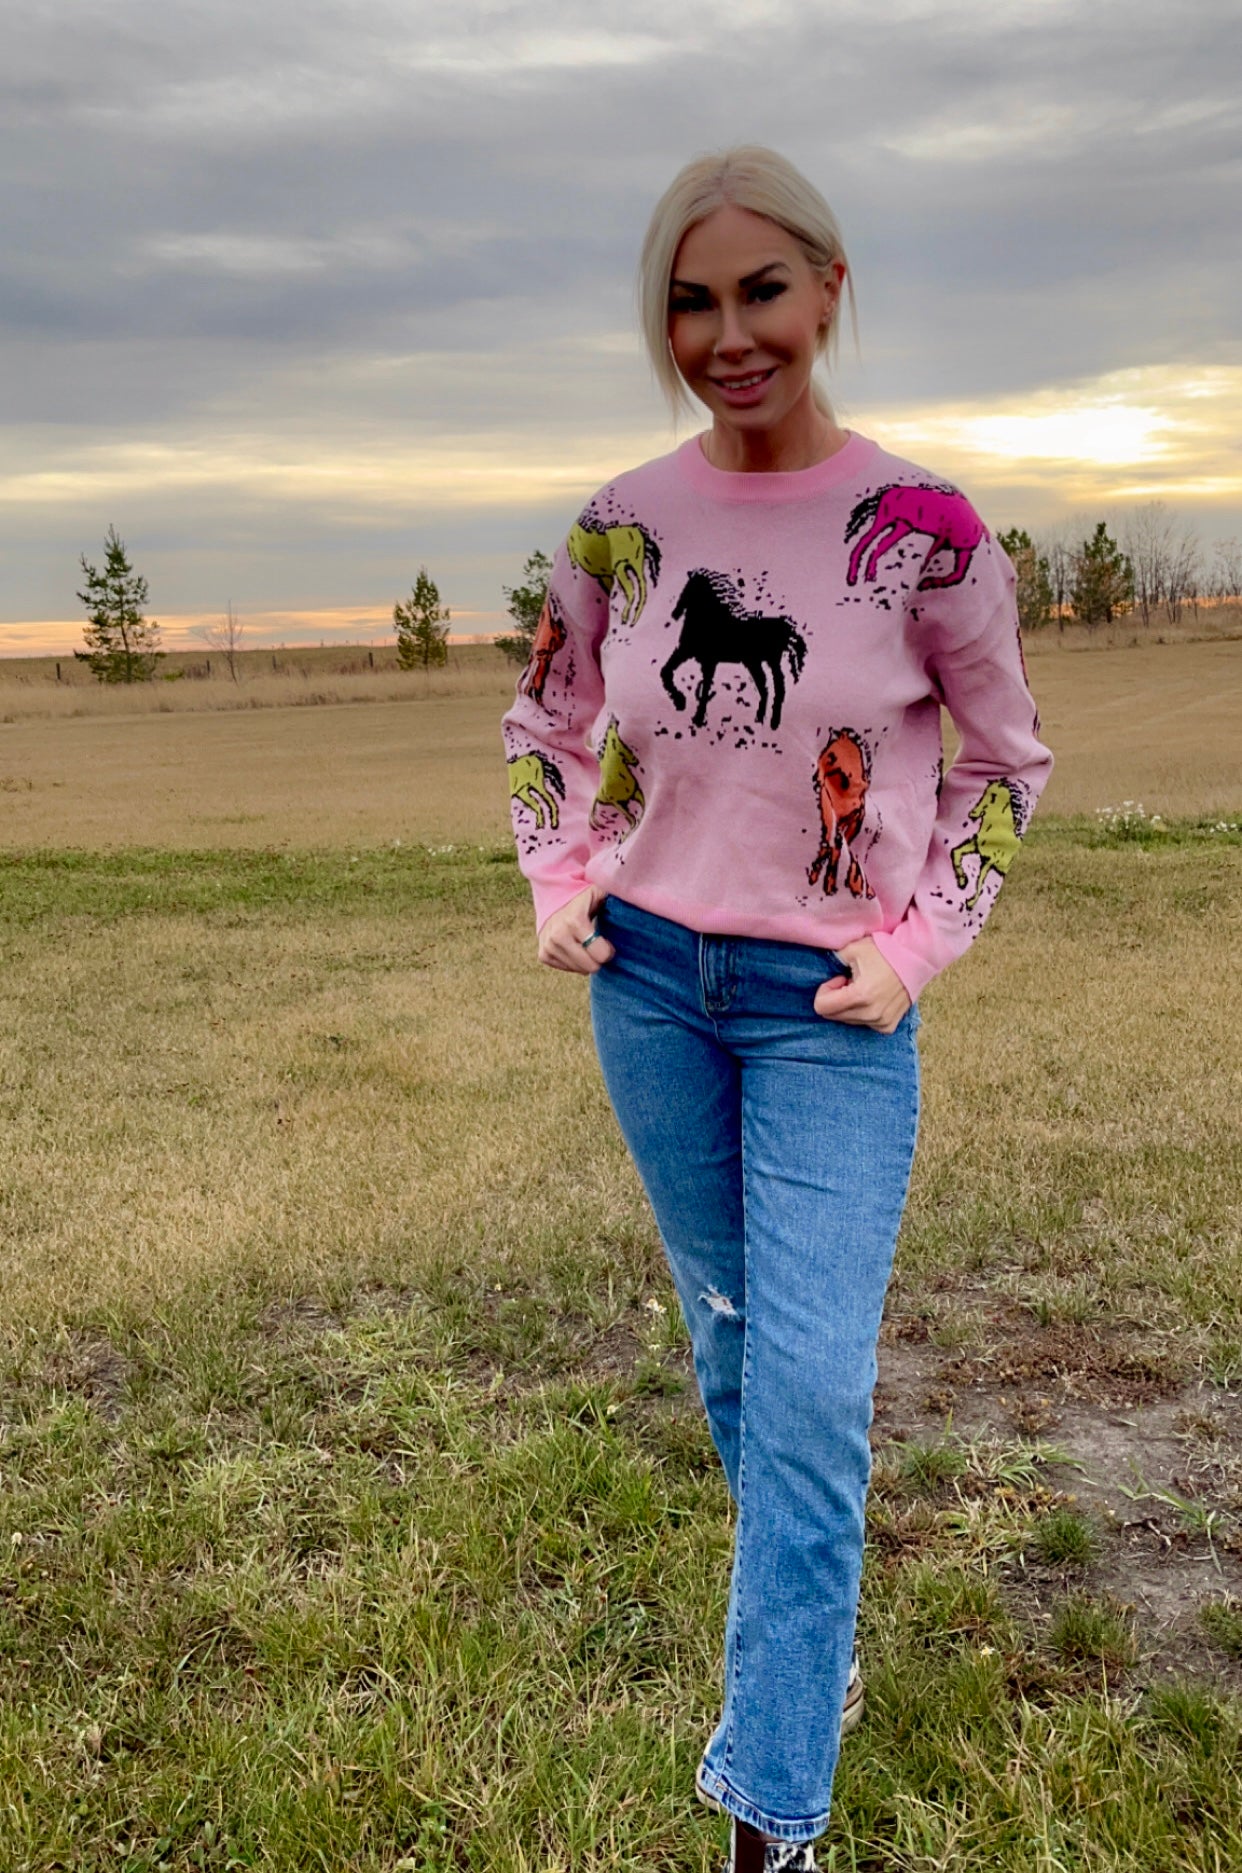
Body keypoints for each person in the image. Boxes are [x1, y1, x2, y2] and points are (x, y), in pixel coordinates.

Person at [501, 146, 1052, 1873]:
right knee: (739, 1348)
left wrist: (916, 948)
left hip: (830, 1011)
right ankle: (815, 1656)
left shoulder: (935, 531)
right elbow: (543, 721)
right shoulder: (621, 517)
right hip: (652, 991)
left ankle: (772, 1813)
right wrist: (560, 877)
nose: (725, 334)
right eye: (688, 298)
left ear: (826, 292)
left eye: (757, 292)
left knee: (808, 1391)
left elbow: (1006, 768)